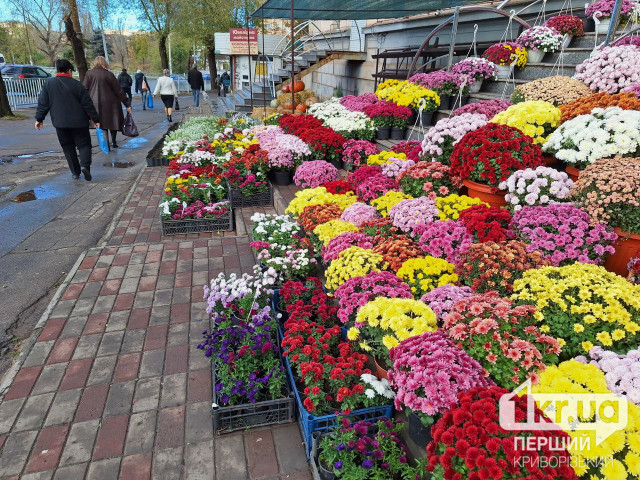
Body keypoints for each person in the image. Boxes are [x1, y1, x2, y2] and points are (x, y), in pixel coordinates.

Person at [35, 59, 100, 181]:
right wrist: (96, 119)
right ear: (69, 70)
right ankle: (85, 166)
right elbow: (87, 104)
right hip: (79, 122)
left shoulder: (49, 84)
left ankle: (75, 172)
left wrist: (39, 119)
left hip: (60, 123)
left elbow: (43, 103)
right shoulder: (77, 84)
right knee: (84, 145)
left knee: (68, 147)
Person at [83, 56, 131, 149]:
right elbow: (119, 90)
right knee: (113, 122)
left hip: (96, 103)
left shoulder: (89, 74)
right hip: (112, 103)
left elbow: (84, 89)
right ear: (105, 63)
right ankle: (114, 142)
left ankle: (106, 145)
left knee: (102, 124)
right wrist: (127, 103)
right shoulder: (109, 74)